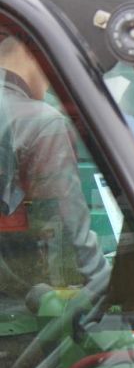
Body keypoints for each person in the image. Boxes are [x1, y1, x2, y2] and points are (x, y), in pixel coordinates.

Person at [0, 34, 109, 303]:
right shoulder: (39, 122)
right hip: (16, 310)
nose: (49, 85)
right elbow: (68, 228)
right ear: (32, 50)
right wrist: (106, 285)